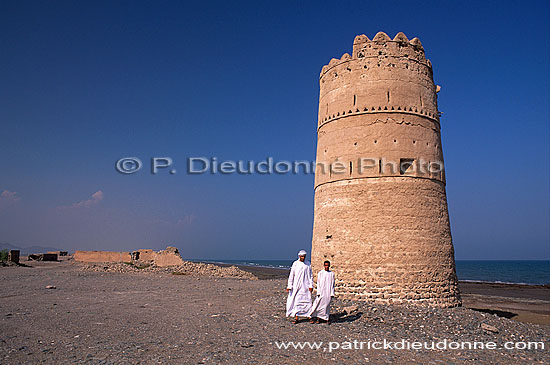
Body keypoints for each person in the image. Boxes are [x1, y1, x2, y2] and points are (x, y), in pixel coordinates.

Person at [286, 250, 313, 324]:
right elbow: (292, 275)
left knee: (307, 301)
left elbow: (310, 276)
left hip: (306, 286)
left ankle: (309, 316)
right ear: (299, 256)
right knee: (297, 301)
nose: (303, 258)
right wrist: (289, 286)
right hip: (297, 286)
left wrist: (311, 285)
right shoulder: (295, 264)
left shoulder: (308, 264)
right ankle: (296, 317)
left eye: (304, 256)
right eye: (301, 256)